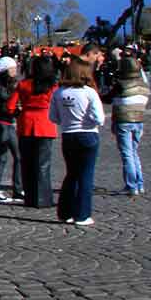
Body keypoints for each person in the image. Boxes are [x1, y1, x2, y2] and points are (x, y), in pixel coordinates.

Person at [50, 59, 104, 226]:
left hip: (68, 135)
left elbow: (53, 117)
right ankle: (82, 214)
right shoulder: (89, 92)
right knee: (86, 175)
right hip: (88, 134)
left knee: (71, 174)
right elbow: (99, 118)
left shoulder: (59, 93)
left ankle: (65, 212)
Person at [15, 55, 59, 209]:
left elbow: (10, 106)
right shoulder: (53, 87)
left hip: (26, 124)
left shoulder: (23, 84)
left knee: (27, 164)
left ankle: (30, 197)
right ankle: (43, 198)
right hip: (45, 124)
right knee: (43, 165)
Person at [104, 55, 149, 196]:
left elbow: (107, 98)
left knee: (127, 154)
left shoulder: (121, 84)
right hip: (139, 120)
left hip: (123, 121)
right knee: (134, 152)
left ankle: (131, 186)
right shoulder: (143, 84)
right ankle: (140, 184)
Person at [0, 56, 22, 203]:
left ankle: (18, 190)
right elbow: (0, 107)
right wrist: (16, 110)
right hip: (1, 123)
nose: (16, 70)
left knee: (18, 156)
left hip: (7, 122)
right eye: (13, 68)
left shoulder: (7, 84)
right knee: (2, 157)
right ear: (5, 70)